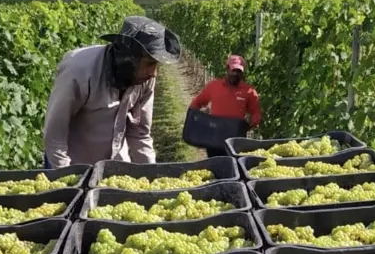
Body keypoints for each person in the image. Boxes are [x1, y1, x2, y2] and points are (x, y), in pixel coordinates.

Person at [42, 15, 181, 168]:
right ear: (128, 58)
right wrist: (67, 180)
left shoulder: (145, 79)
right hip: (72, 164)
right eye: (150, 63)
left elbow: (140, 134)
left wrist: (152, 176)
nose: (154, 73)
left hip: (113, 168)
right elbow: (54, 135)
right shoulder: (79, 71)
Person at [188, 55, 260, 158]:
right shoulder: (213, 86)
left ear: (242, 73)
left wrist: (248, 126)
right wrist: (193, 120)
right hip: (214, 136)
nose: (235, 74)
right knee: (215, 164)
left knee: (235, 165)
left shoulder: (249, 92)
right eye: (233, 70)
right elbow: (197, 102)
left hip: (235, 139)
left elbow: (256, 113)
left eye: (238, 71)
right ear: (227, 69)